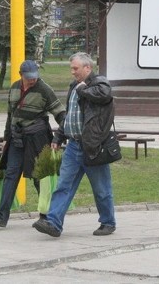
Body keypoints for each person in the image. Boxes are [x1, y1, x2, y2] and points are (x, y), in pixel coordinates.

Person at [32, 52, 116, 238]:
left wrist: (82, 89)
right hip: (73, 146)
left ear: (88, 68)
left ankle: (108, 222)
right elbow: (70, 116)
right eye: (71, 69)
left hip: (93, 147)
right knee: (63, 185)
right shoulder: (74, 86)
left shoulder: (100, 83)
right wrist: (58, 137)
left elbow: (104, 94)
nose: (72, 72)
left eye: (75, 69)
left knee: (101, 189)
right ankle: (53, 222)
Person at [0, 60, 66, 228]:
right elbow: (10, 114)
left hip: (37, 138)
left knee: (38, 176)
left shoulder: (44, 90)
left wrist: (59, 137)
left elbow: (61, 114)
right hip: (16, 138)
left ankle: (47, 216)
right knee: (11, 174)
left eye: (34, 77)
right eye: (29, 78)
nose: (32, 80)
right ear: (21, 75)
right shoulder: (14, 87)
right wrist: (6, 137)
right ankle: (1, 216)